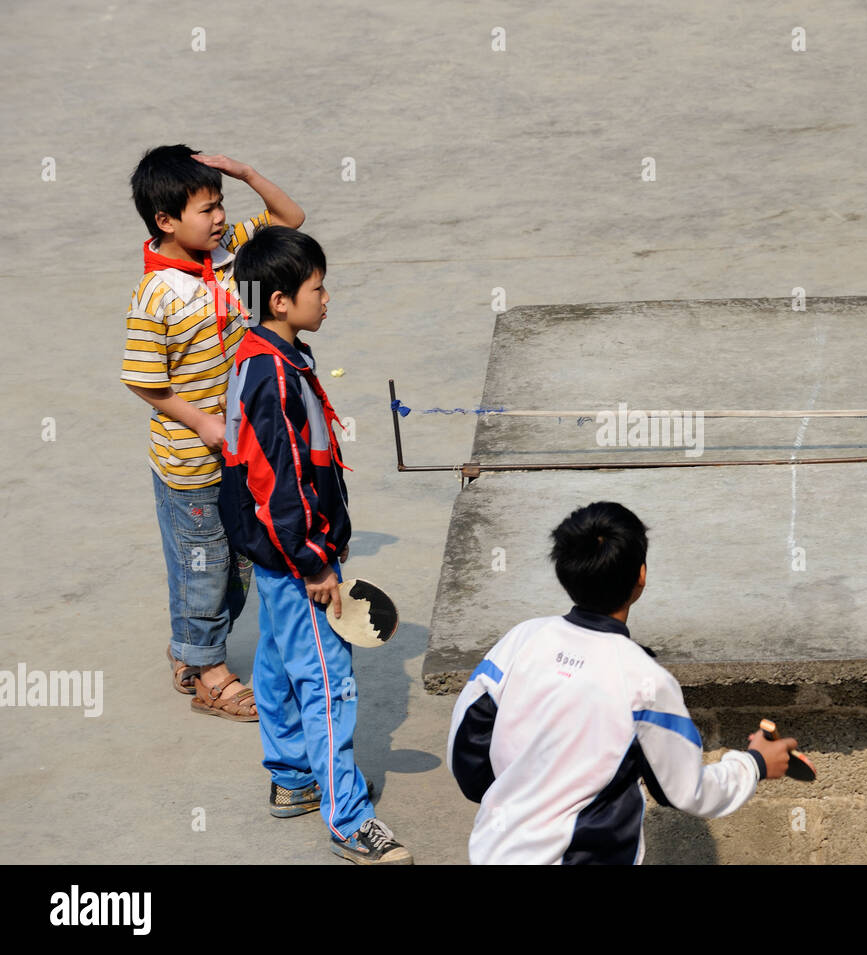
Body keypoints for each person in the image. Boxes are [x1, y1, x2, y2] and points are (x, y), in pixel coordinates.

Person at [448, 500, 797, 864]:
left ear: (564, 571)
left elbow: (466, 755)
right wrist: (755, 763)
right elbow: (685, 791)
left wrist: (520, 800)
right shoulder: (644, 680)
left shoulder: (520, 641)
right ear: (641, 576)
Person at [219, 227, 411, 864]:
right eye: (316, 288)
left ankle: (293, 779)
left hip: (274, 561)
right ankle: (349, 821)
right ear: (279, 301)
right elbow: (281, 482)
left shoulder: (261, 357)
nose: (326, 299)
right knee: (329, 684)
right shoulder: (272, 377)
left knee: (276, 662)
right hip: (296, 559)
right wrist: (315, 560)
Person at [122, 145, 304, 718]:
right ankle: (209, 672)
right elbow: (144, 381)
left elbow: (290, 220)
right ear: (166, 222)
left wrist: (247, 173)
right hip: (191, 459)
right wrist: (203, 422)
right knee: (203, 566)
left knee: (235, 566)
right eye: (207, 208)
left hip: (239, 449)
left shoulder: (228, 259)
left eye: (222, 204)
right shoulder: (157, 295)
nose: (220, 217)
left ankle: (189, 651)